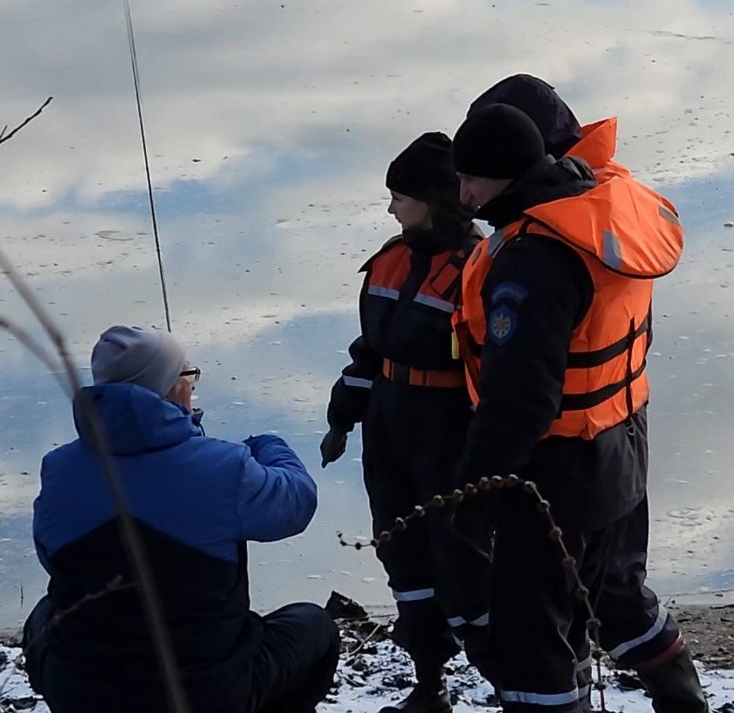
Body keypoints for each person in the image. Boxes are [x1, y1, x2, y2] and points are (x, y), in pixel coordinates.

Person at [447, 102, 708, 713]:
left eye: (470, 181)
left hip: (556, 474)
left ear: (505, 175)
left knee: (533, 640)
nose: (462, 197)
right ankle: (685, 701)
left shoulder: (534, 256)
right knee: (616, 593)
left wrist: (474, 494)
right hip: (622, 445)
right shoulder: (607, 211)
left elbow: (520, 401)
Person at [23, 325, 339, 713]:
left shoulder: (58, 469)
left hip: (80, 693)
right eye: (189, 375)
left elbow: (52, 556)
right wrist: (267, 444)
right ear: (172, 387)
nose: (192, 384)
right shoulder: (227, 468)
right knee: (315, 626)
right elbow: (298, 504)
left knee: (43, 615)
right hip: (207, 695)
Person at [319, 132, 495, 713]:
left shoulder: (481, 266)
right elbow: (369, 351)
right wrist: (342, 418)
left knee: (464, 557)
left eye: (400, 195)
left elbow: (497, 369)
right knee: (401, 553)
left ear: (436, 200)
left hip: (448, 430)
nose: (391, 206)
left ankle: (513, 676)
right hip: (389, 426)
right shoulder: (389, 262)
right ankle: (429, 682)